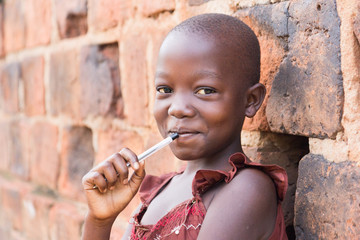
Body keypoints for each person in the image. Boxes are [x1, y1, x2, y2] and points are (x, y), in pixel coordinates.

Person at [82, 13, 288, 240]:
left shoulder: (246, 190)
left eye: (205, 91)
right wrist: (99, 221)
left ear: (250, 101)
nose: (177, 108)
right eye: (165, 90)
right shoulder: (160, 192)